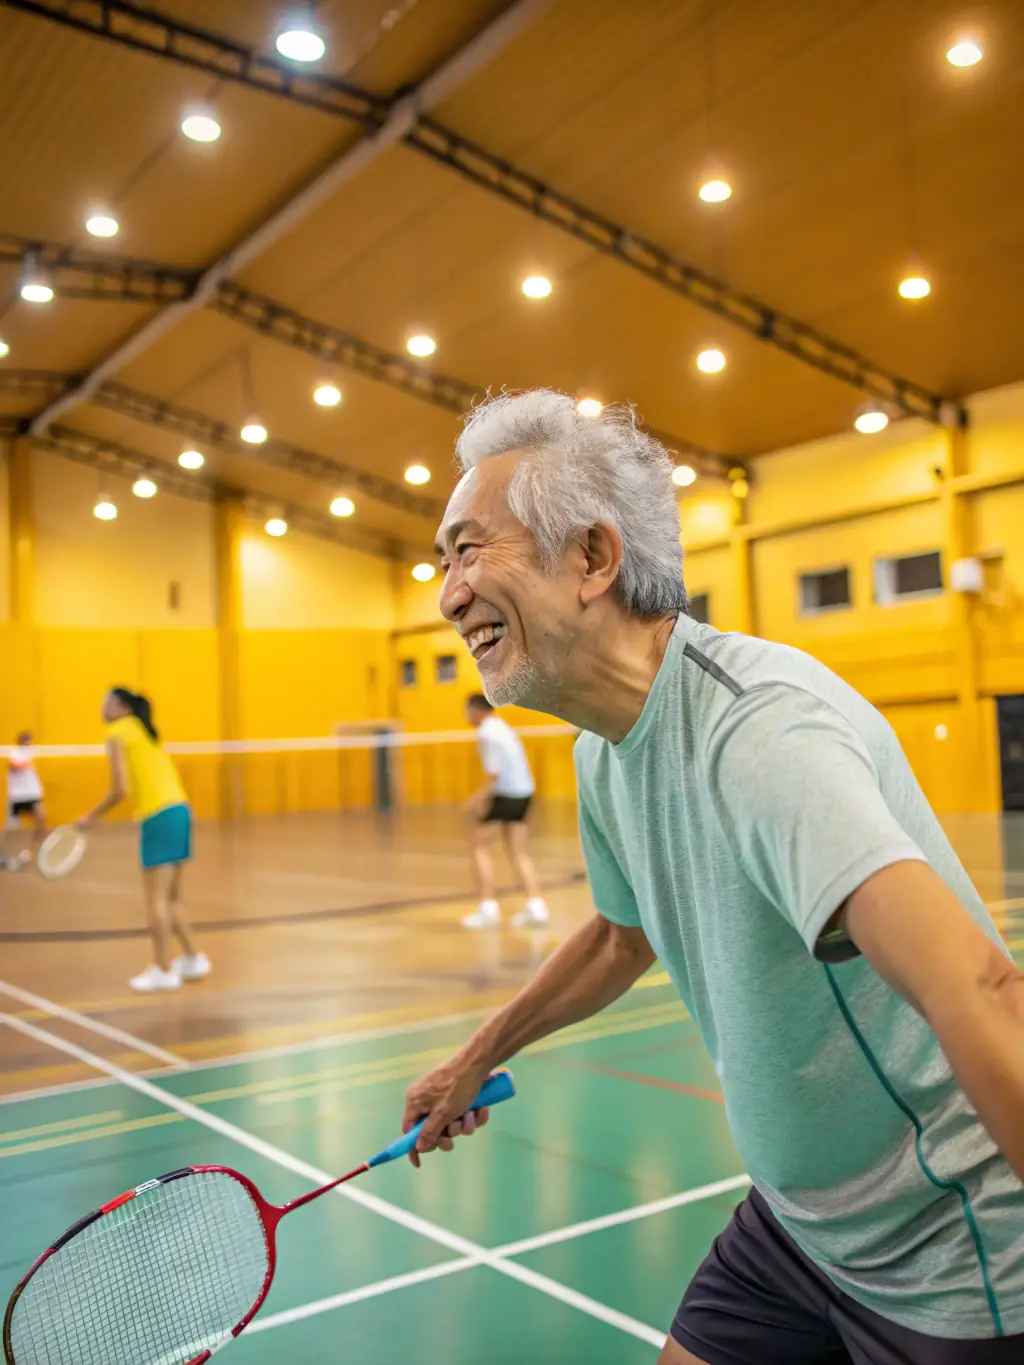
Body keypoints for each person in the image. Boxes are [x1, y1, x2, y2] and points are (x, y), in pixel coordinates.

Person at [402, 390, 1024, 1363]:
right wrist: (481, 1054)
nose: (447, 595)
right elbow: (623, 933)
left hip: (944, 1247)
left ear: (594, 560)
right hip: (794, 1231)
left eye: (470, 549)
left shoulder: (761, 733)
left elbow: (979, 986)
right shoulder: (605, 747)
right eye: (444, 562)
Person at [78, 688, 209, 993]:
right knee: (173, 897)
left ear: (121, 706)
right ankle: (192, 960)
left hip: (158, 815)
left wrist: (91, 816)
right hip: (180, 810)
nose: (102, 707)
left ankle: (163, 970)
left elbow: (119, 790)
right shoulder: (144, 729)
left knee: (157, 900)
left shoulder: (117, 733)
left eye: (106, 701)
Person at [462, 693, 548, 929]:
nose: (466, 715)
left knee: (479, 845)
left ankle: (487, 907)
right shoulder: (502, 727)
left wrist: (476, 800)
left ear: (476, 710)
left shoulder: (486, 733)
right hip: (524, 792)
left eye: (467, 710)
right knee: (517, 850)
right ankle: (536, 905)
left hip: (506, 794)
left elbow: (493, 774)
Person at [4, 731, 46, 872]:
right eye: (26, 740)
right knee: (12, 827)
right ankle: (5, 851)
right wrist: (26, 761)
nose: (29, 742)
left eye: (30, 740)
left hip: (32, 794)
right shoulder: (15, 754)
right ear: (21, 741)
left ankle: (36, 847)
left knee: (41, 817)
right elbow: (13, 766)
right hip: (17, 796)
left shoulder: (31, 753)